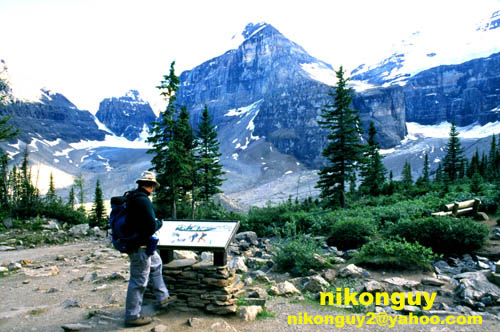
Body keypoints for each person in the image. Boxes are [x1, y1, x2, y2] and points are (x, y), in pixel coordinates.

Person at [124, 171, 176, 327]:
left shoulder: (132, 197)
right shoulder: (143, 201)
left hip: (140, 245)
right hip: (140, 246)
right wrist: (160, 223)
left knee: (156, 263)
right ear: (152, 186)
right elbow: (151, 226)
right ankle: (132, 315)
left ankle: (162, 296)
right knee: (138, 281)